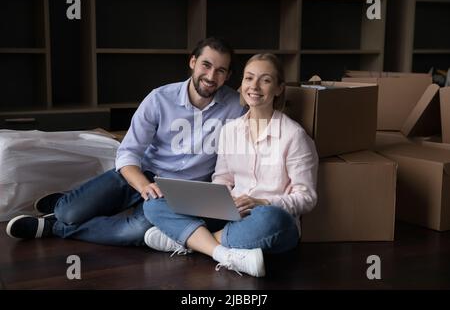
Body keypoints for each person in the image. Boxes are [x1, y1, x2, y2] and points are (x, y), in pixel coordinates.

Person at [6, 37, 244, 245]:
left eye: (221, 70)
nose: (211, 76)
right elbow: (128, 152)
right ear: (193, 62)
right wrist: (143, 185)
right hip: (144, 175)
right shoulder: (159, 98)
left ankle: (56, 227)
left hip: (185, 190)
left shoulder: (236, 106)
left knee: (138, 231)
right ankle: (64, 206)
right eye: (206, 65)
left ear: (229, 76)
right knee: (70, 211)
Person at [143, 54, 319, 277]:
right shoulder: (230, 129)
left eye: (265, 80)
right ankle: (224, 253)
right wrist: (220, 201)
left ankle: (191, 240)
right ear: (242, 83)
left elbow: (307, 198)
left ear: (279, 88)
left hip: (267, 220)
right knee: (153, 203)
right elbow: (223, 179)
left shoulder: (294, 136)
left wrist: (262, 202)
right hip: (231, 213)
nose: (254, 86)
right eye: (249, 78)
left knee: (273, 220)